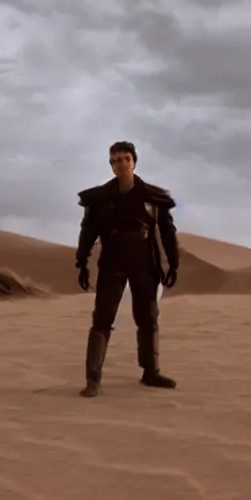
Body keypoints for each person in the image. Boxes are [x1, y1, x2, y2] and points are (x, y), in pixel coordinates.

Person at [75, 140, 180, 397]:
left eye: (124, 159)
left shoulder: (154, 198)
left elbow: (167, 231)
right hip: (112, 262)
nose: (120, 164)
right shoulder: (100, 199)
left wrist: (173, 263)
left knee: (147, 318)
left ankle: (150, 372)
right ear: (110, 165)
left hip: (144, 262)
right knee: (102, 319)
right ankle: (93, 379)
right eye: (114, 160)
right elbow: (87, 232)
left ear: (134, 161)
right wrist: (82, 262)